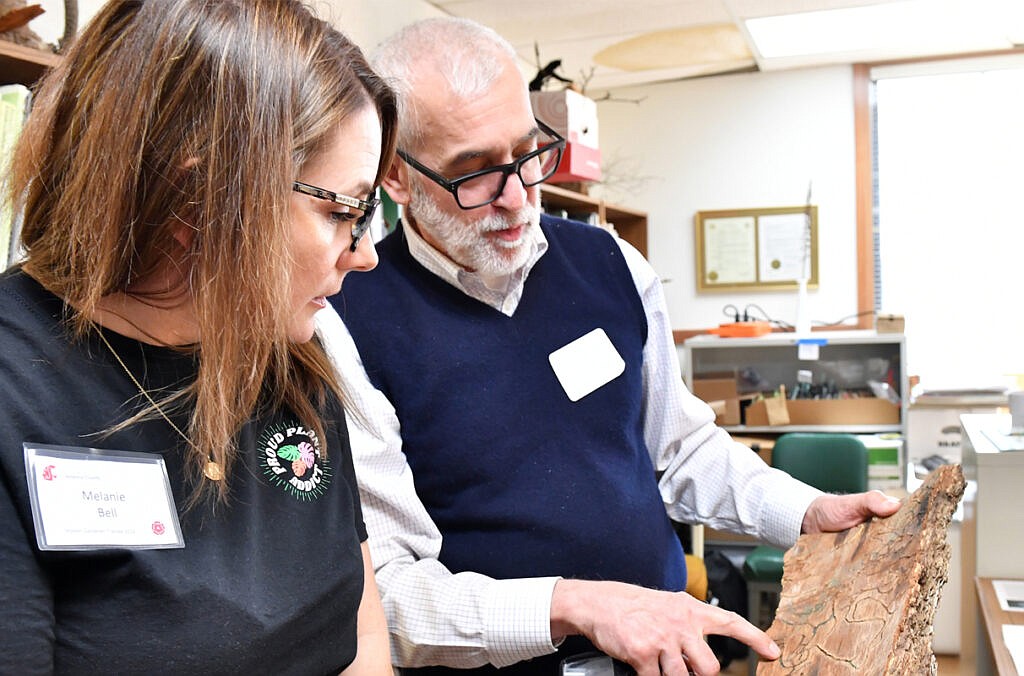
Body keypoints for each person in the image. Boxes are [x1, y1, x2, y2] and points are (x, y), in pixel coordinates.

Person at [318, 16, 902, 676]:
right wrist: (576, 606)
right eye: (473, 174)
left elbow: (681, 447)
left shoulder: (611, 263)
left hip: (663, 657)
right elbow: (389, 597)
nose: (517, 198)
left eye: (527, 151)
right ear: (396, 177)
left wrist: (804, 509)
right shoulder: (346, 321)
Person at [0, 1, 398, 673]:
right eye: (340, 211)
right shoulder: (15, 390)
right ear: (201, 199)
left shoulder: (290, 357)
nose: (365, 256)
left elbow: (362, 637)